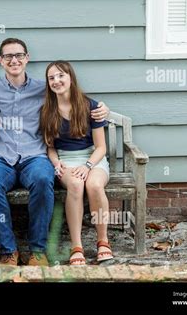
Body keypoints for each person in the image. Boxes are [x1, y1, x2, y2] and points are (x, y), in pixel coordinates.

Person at [0, 38, 110, 266]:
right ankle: (9, 251)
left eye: (19, 55)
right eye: (8, 56)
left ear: (27, 58)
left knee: (41, 178)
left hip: (35, 156)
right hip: (1, 156)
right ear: (0, 61)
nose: (14, 60)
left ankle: (38, 251)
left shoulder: (45, 88)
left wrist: (103, 108)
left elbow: (77, 100)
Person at [40, 60, 113, 265]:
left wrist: (87, 166)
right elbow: (50, 147)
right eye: (51, 78)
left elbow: (101, 147)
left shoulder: (91, 106)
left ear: (71, 77)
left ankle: (103, 241)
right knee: (75, 184)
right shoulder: (47, 111)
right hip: (65, 160)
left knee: (95, 185)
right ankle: (77, 246)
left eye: (61, 75)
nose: (56, 81)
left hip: (93, 158)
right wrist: (56, 163)